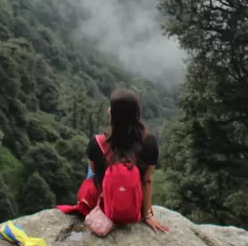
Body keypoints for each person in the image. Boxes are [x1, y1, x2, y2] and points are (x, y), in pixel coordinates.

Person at [57, 88, 170, 234]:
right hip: (133, 204)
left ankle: (90, 202)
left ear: (114, 115)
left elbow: (94, 169)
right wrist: (147, 214)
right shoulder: (150, 142)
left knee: (92, 171)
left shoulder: (96, 142)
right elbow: (146, 180)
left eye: (111, 107)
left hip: (106, 202)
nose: (108, 110)